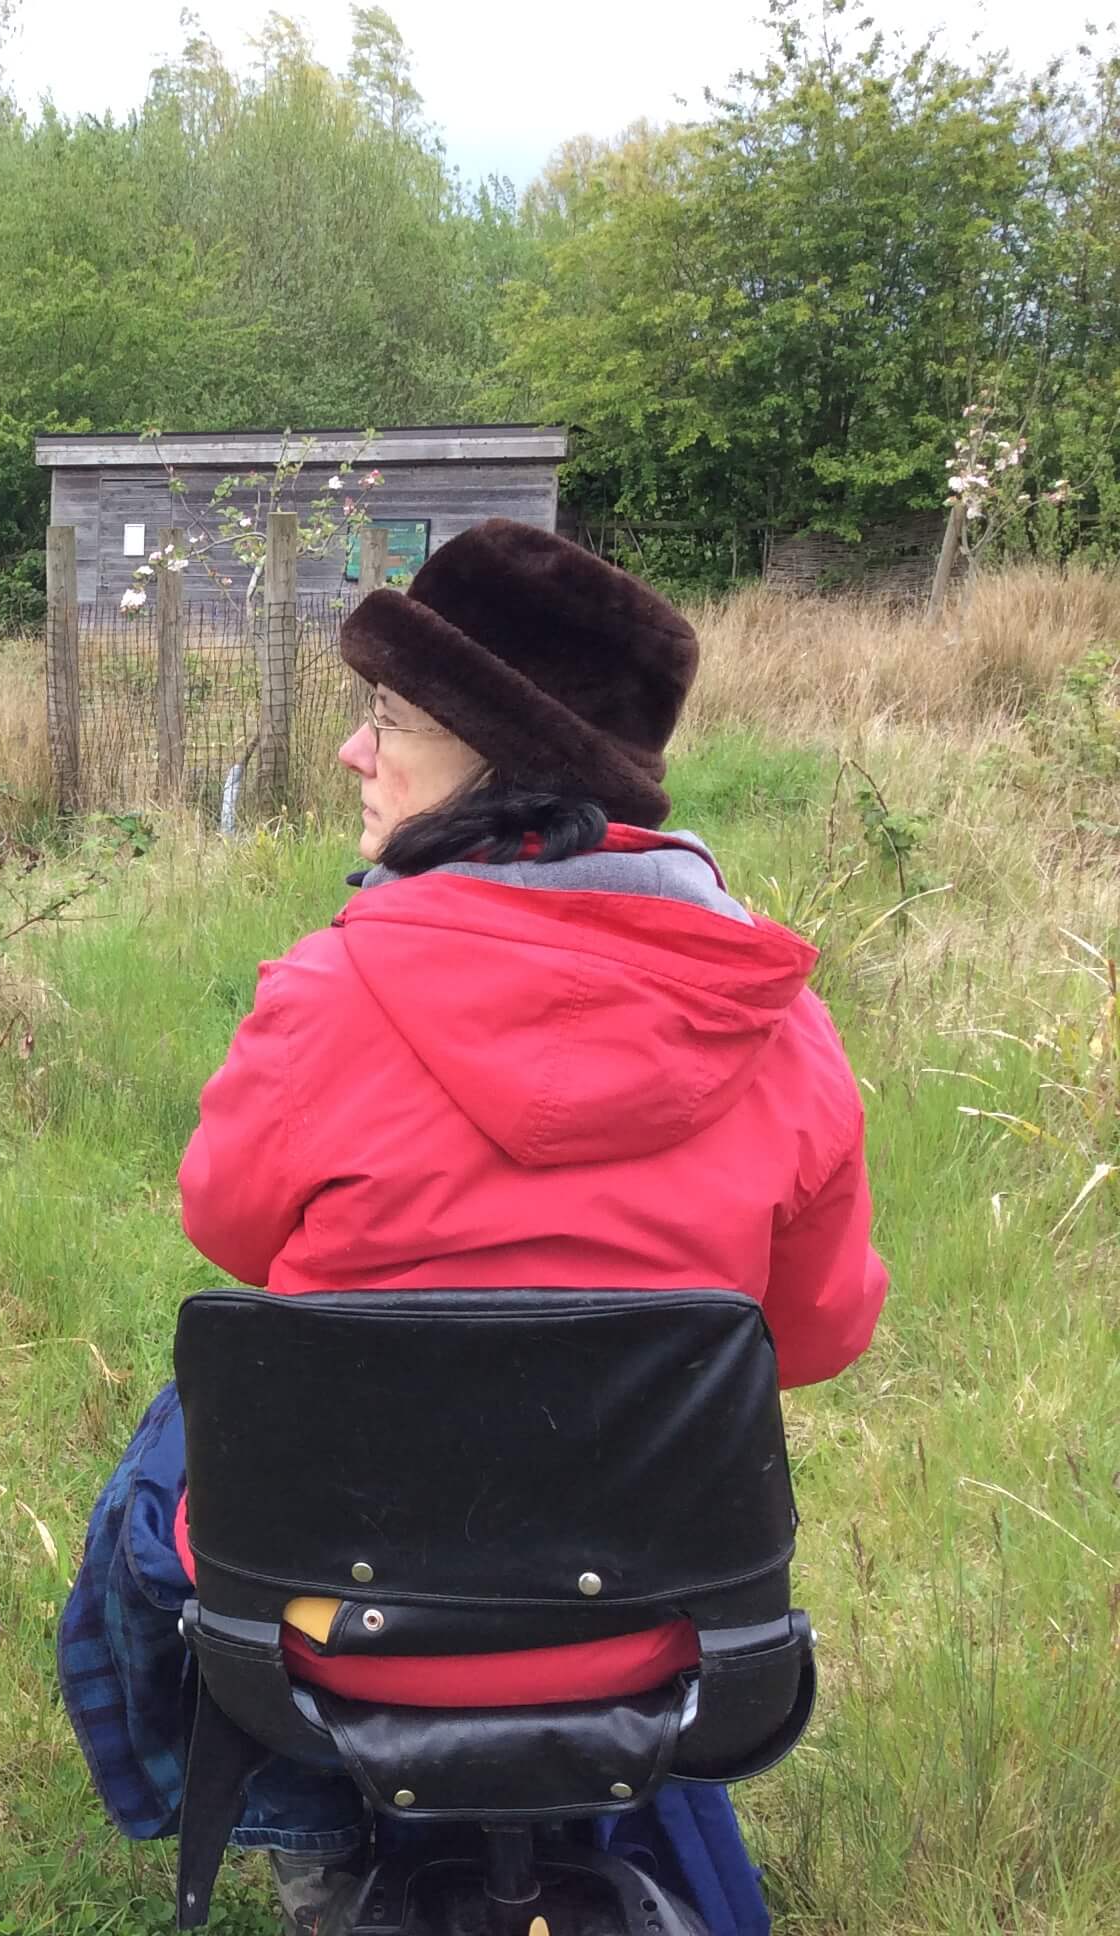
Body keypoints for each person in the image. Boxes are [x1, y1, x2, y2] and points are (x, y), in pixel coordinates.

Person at [57, 519, 889, 1936]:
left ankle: (289, 1829)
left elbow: (229, 1231)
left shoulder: (326, 992)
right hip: (662, 1634)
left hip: (334, 1638)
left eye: (385, 719)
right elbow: (817, 1336)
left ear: (496, 759)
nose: (351, 753)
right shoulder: (778, 1021)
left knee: (166, 1466)